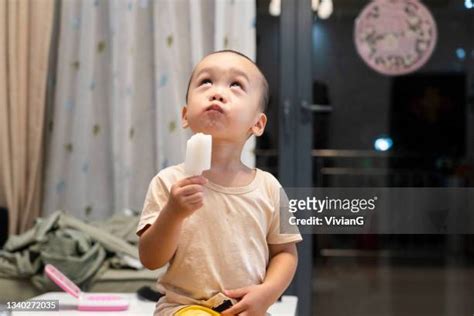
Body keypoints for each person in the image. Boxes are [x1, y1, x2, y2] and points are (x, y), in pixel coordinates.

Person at [137, 50, 302, 316]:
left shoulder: (270, 187)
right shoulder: (168, 182)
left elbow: (286, 253)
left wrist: (267, 293)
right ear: (185, 115)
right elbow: (150, 259)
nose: (217, 92)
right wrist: (174, 213)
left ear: (257, 124)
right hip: (184, 308)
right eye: (206, 82)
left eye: (236, 85)